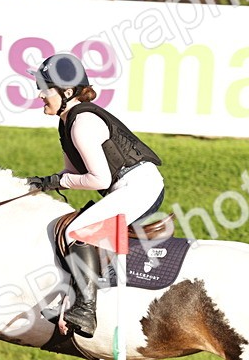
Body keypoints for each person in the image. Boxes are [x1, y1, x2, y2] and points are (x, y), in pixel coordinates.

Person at [26, 53, 165, 338]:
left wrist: (54, 181)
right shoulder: (66, 123)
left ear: (66, 92)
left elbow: (96, 179)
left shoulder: (82, 122)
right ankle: (73, 297)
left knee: (77, 230)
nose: (40, 94)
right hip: (126, 186)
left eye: (45, 87)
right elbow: (70, 173)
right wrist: (44, 183)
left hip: (140, 187)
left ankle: (86, 311)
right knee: (66, 228)